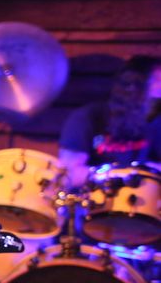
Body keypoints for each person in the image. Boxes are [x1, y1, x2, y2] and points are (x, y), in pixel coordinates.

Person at [58, 55, 161, 189]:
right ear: (135, 85)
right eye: (158, 80)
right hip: (94, 197)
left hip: (145, 198)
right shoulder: (88, 117)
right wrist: (123, 174)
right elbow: (68, 175)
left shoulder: (156, 120)